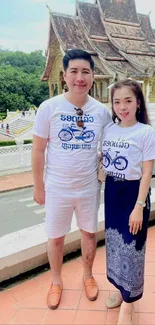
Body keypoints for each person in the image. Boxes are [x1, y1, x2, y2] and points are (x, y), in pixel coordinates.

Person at [32, 49, 111, 310]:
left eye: (85, 72)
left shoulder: (101, 111)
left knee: (89, 233)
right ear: (64, 75)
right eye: (74, 71)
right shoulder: (49, 107)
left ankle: (88, 276)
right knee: (56, 237)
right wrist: (39, 186)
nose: (80, 77)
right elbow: (38, 149)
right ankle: (56, 280)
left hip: (89, 186)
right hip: (57, 187)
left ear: (92, 75)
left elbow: (112, 144)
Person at [102, 79, 155, 324]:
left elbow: (147, 173)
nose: (122, 107)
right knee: (114, 245)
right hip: (112, 192)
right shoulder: (110, 129)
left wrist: (139, 206)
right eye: (117, 102)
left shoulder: (145, 132)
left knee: (133, 247)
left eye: (128, 101)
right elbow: (104, 157)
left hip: (134, 195)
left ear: (138, 102)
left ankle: (129, 302)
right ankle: (119, 289)